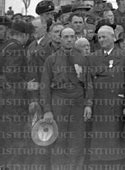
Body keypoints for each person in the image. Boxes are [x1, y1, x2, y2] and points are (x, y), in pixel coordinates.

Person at [40, 27, 92, 170]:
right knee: (58, 142)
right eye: (66, 37)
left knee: (77, 142)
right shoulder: (51, 60)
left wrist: (88, 104)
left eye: (72, 36)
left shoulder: (82, 59)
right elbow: (44, 87)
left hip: (78, 104)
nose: (69, 39)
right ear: (60, 39)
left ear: (75, 38)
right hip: (59, 104)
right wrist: (47, 110)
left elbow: (88, 84)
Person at [87, 25, 125, 165]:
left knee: (116, 145)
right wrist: (89, 104)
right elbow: (89, 83)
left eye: (104, 37)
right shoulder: (93, 57)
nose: (101, 40)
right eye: (99, 37)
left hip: (117, 105)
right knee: (99, 145)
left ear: (113, 38)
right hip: (99, 106)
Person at [0, 21, 34, 168]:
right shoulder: (16, 48)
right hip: (14, 101)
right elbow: (11, 74)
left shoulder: (6, 45)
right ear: (25, 35)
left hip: (7, 100)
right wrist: (27, 85)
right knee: (16, 138)